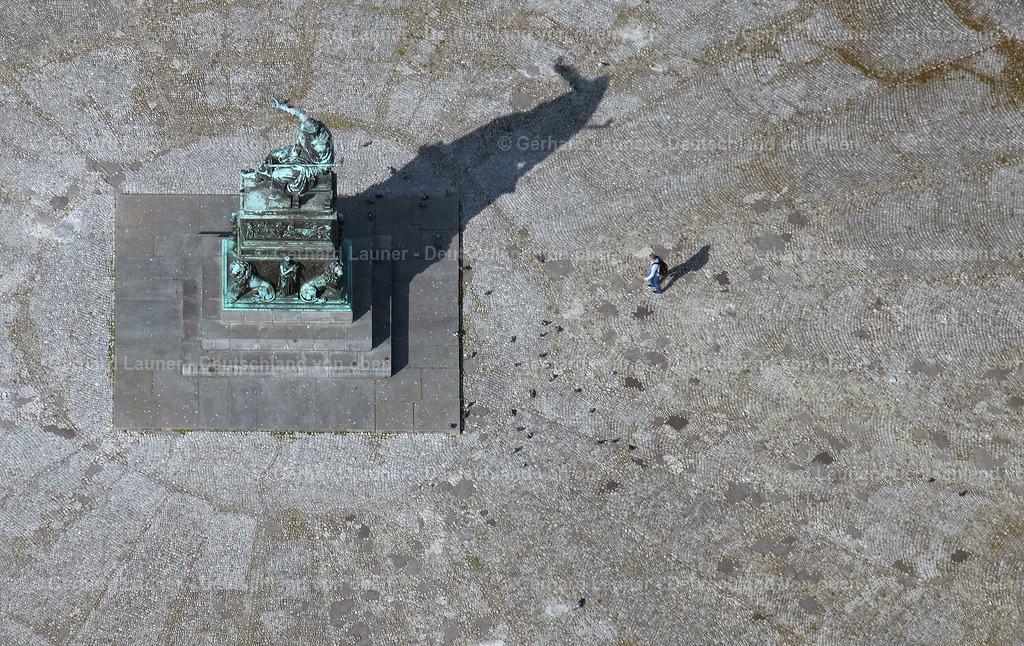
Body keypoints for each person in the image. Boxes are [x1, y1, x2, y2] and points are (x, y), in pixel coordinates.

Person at [248, 98, 335, 199]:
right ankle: (259, 175)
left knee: (277, 175)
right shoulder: (310, 123)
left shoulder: (322, 146)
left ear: (311, 135)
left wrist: (302, 168)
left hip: (309, 166)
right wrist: (282, 106)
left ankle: (279, 195)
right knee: (274, 154)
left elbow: (323, 168)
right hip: (302, 154)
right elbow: (299, 113)